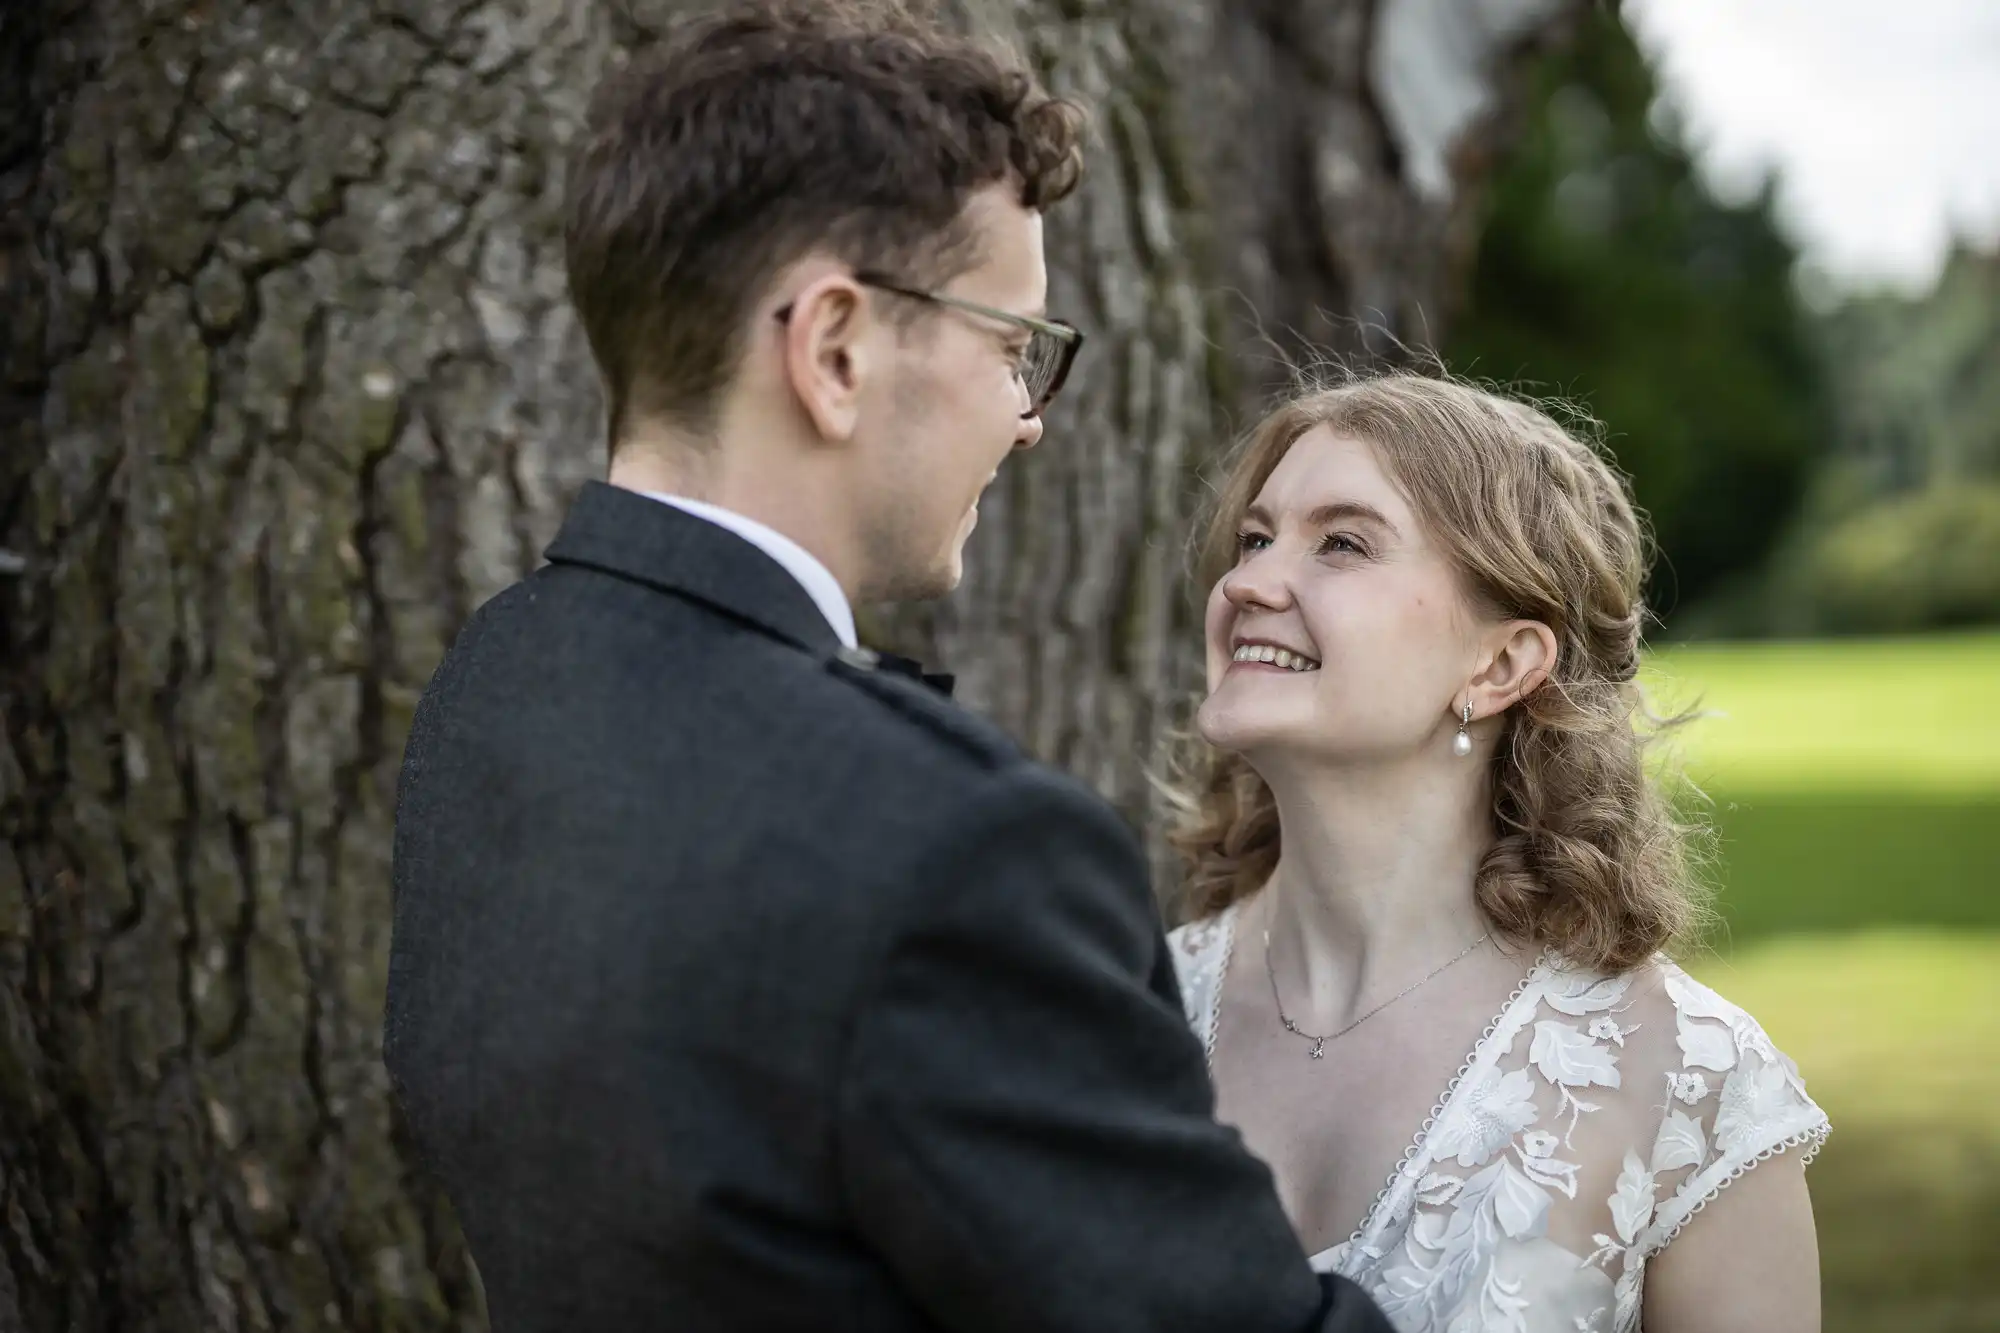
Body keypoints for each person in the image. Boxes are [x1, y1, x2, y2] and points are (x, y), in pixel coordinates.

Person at [382, 2, 1392, 1330]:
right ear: (837, 350)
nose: (1026, 419)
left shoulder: (496, 684)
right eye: (1009, 343)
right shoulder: (954, 849)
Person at [1162, 373, 1829, 1333]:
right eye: (1256, 538)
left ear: (1502, 664)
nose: (1249, 582)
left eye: (1342, 543)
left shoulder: (1686, 1086)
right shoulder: (1131, 1012)